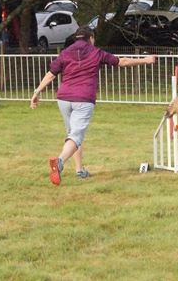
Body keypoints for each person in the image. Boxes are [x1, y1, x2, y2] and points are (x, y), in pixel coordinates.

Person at [30, 26, 156, 186]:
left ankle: (79, 169)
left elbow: (51, 74)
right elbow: (121, 62)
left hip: (63, 98)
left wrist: (37, 92)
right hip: (83, 98)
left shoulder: (66, 53)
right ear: (91, 38)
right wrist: (145, 60)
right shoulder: (96, 52)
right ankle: (59, 162)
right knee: (76, 136)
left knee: (72, 134)